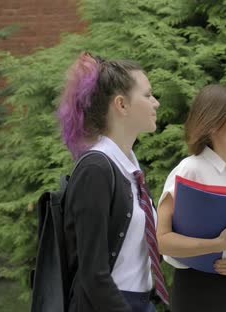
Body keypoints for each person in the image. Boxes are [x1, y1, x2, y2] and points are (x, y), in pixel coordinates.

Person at [58, 52, 168, 312]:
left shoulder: (130, 167)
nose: (156, 103)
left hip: (139, 303)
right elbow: (93, 276)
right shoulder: (96, 169)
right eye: (148, 95)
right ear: (121, 105)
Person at [156, 84, 226, 312]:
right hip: (197, 298)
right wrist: (218, 244)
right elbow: (162, 240)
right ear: (214, 122)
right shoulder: (189, 170)